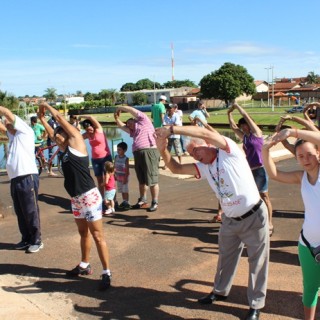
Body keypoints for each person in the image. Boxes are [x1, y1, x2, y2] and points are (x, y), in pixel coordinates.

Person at [155, 124, 269, 320]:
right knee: (225, 258)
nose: (195, 156)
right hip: (229, 220)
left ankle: (255, 305)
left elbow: (205, 132)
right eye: (191, 153)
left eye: (196, 150)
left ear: (208, 144)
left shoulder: (228, 151)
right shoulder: (204, 166)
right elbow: (175, 167)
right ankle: (220, 291)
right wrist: (162, 149)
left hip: (253, 216)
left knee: (257, 262)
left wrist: (171, 130)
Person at [38, 102, 112, 291]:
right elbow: (53, 129)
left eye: (58, 133)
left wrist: (46, 105)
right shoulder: (63, 150)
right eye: (55, 135)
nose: (56, 137)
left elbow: (60, 120)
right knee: (83, 233)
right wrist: (40, 118)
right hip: (76, 199)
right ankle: (84, 265)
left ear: (66, 133)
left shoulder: (77, 142)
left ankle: (106, 273)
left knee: (97, 235)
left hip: (88, 196)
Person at [262, 128, 320, 320]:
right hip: (307, 245)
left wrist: (294, 132)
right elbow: (274, 173)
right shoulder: (301, 177)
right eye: (301, 156)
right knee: (310, 289)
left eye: (310, 154)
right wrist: (265, 150)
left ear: (318, 153)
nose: (306, 159)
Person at [0, 106, 43, 253]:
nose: (5, 124)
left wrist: (3, 113)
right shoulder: (13, 135)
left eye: (7, 122)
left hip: (27, 175)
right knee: (20, 211)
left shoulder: (25, 131)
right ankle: (26, 239)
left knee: (30, 210)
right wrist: (4, 125)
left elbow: (7, 113)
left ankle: (37, 240)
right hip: (15, 178)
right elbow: (3, 127)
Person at [228, 103, 274, 236]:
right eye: (241, 125)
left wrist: (237, 106)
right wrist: (229, 113)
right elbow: (232, 127)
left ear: (249, 124)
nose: (242, 126)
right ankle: (255, 221)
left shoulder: (257, 134)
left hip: (260, 169)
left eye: (244, 124)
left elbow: (246, 115)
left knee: (264, 196)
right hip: (249, 171)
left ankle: (270, 223)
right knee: (253, 197)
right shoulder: (245, 137)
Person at [114, 105, 160, 212]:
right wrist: (116, 118)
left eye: (129, 122)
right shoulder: (133, 131)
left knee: (152, 178)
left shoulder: (143, 121)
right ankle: (142, 200)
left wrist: (119, 108)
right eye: (127, 124)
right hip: (138, 153)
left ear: (135, 120)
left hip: (149, 151)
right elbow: (121, 126)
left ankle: (155, 201)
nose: (128, 125)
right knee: (141, 179)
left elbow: (131, 110)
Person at [80, 115, 112, 197]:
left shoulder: (99, 130)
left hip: (106, 158)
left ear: (93, 125)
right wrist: (77, 123)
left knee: (109, 178)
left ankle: (111, 199)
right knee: (99, 179)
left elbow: (91, 117)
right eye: (86, 129)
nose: (89, 130)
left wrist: (80, 116)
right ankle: (102, 198)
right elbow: (77, 137)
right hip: (95, 160)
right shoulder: (87, 134)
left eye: (89, 128)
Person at [114, 141, 131, 210]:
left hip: (124, 176)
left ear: (124, 150)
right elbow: (114, 166)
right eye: (117, 149)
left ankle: (126, 202)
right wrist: (114, 174)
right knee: (121, 190)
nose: (118, 151)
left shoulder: (126, 159)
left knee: (125, 190)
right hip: (118, 176)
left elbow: (127, 169)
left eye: (120, 149)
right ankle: (124, 201)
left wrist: (125, 178)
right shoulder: (116, 157)